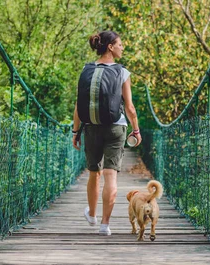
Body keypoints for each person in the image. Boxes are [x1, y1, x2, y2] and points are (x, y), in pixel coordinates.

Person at [72, 30, 142, 236]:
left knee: (95, 173)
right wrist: (136, 130)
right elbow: (129, 107)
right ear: (110, 47)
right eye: (119, 44)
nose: (122, 47)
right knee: (111, 176)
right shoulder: (122, 72)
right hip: (116, 127)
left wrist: (75, 131)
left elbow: (78, 106)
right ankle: (105, 225)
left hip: (91, 126)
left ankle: (92, 215)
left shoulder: (86, 70)